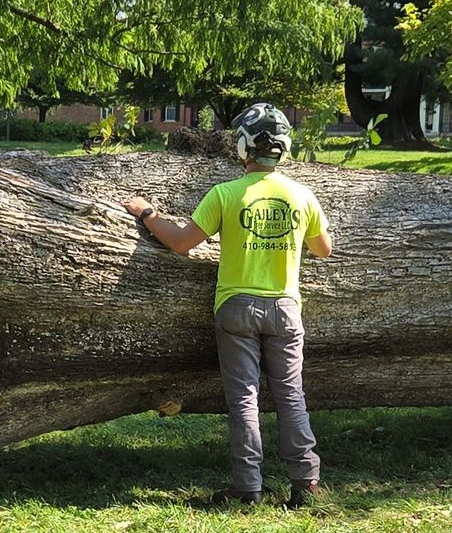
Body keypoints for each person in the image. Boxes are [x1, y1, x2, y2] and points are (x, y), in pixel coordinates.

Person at [123, 103, 334, 508]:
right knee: (291, 395)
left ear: (242, 148)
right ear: (285, 149)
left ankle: (247, 487)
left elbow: (181, 242)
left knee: (244, 398)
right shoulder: (302, 195)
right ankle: (305, 483)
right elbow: (323, 249)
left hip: (236, 308)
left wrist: (147, 212)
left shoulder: (225, 194)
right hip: (285, 308)